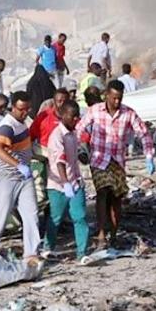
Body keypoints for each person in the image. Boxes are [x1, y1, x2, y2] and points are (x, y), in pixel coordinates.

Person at [77, 80, 155, 249]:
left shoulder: (128, 113)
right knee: (103, 191)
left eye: (119, 98)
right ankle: (101, 234)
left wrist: (149, 155)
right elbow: (79, 128)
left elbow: (143, 133)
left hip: (118, 161)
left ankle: (113, 234)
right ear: (106, 95)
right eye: (114, 98)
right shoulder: (95, 110)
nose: (117, 101)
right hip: (99, 159)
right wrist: (76, 148)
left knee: (116, 198)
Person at [0, 91, 41, 265]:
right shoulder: (7, 126)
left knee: (31, 213)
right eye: (21, 109)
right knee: (2, 211)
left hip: (24, 177)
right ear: (13, 107)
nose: (24, 113)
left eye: (27, 109)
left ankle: (31, 253)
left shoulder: (23, 123)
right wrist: (18, 165)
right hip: (7, 176)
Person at [44, 100, 89, 262]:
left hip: (75, 181)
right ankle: (47, 247)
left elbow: (77, 154)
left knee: (80, 217)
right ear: (63, 115)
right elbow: (59, 161)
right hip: (58, 184)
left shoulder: (74, 133)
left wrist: (83, 155)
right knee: (56, 218)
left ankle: (82, 253)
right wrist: (65, 183)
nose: (75, 119)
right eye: (72, 116)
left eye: (77, 116)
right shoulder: (57, 136)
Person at [30, 88, 70, 212]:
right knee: (41, 194)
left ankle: (57, 219)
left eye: (64, 101)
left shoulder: (71, 118)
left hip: (63, 159)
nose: (62, 104)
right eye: (59, 101)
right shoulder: (44, 116)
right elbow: (31, 136)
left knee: (60, 192)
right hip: (43, 158)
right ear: (54, 101)